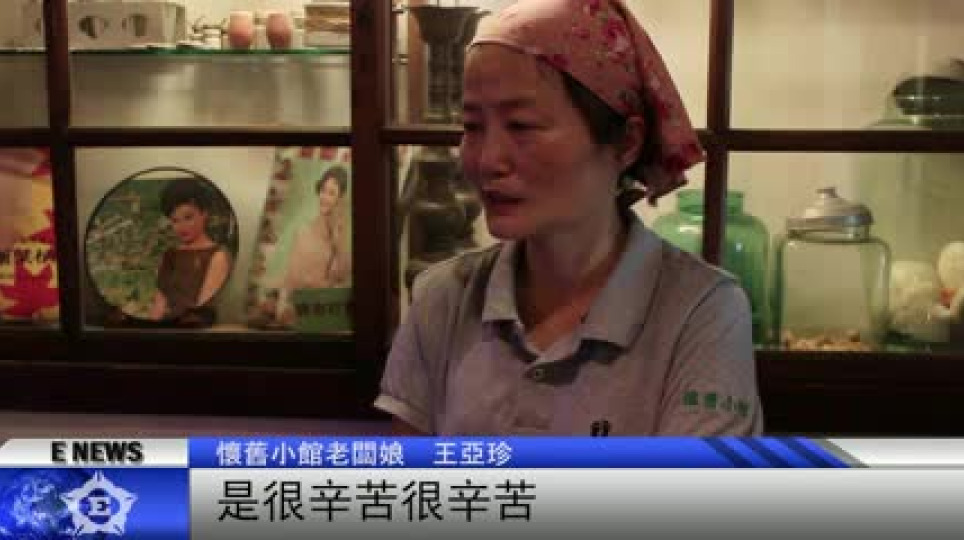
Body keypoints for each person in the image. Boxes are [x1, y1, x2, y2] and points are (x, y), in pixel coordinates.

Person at [375, 0, 763, 436]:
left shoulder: (701, 314)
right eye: (472, 126)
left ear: (627, 143)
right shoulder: (443, 300)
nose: (487, 160)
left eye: (521, 125)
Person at [148, 178, 232, 322]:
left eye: (188, 217)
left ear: (204, 214)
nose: (181, 227)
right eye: (175, 220)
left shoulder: (217, 256)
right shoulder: (170, 255)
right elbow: (159, 304)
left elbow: (202, 310)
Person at [278, 166, 351, 320]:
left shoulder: (341, 241)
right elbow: (289, 279)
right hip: (295, 314)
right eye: (323, 190)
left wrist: (338, 241)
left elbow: (342, 280)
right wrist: (282, 306)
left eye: (332, 193)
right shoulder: (302, 233)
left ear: (340, 199)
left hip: (321, 317)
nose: (324, 197)